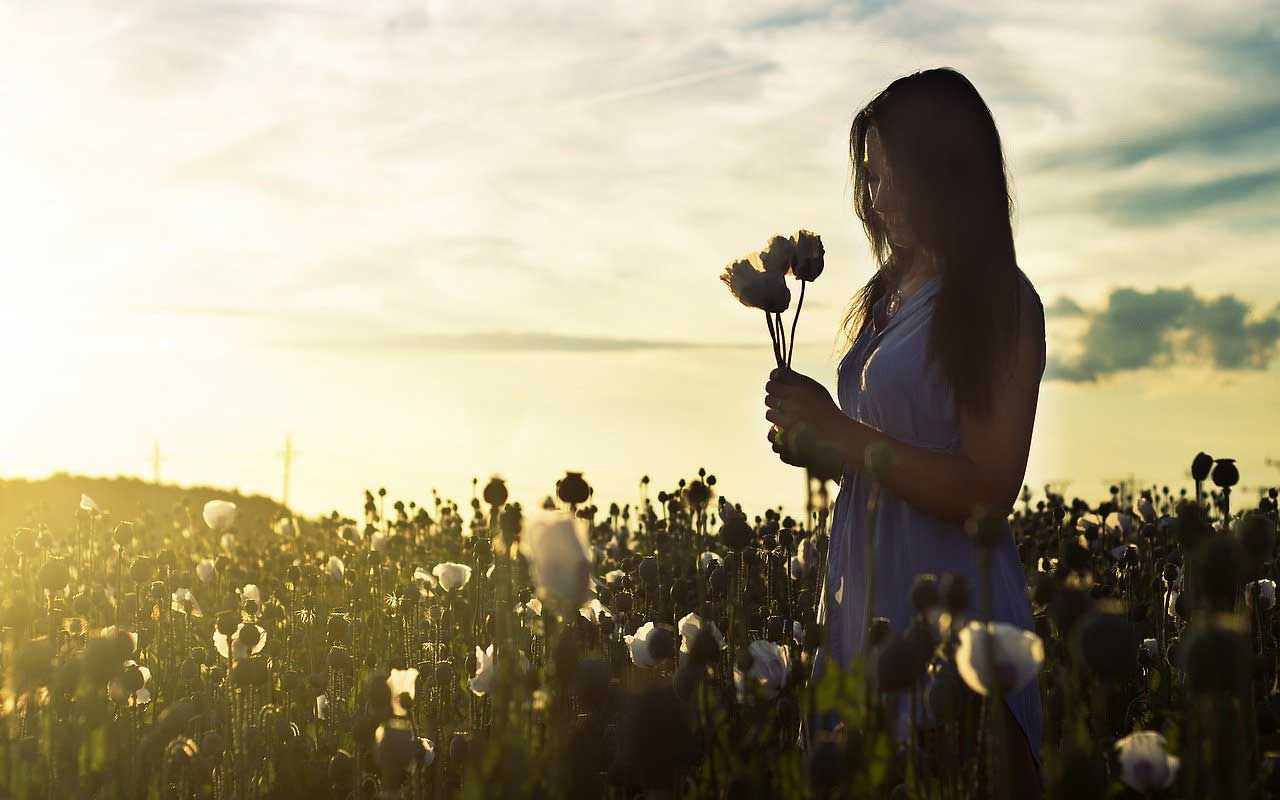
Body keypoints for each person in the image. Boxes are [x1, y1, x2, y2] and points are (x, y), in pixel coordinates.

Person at [763, 67, 1045, 798]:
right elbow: (887, 452)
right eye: (868, 176)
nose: (874, 196)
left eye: (888, 175)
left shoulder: (999, 300)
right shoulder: (887, 296)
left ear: (943, 173)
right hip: (866, 602)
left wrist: (843, 434)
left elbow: (987, 489)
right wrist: (821, 447)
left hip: (954, 612)